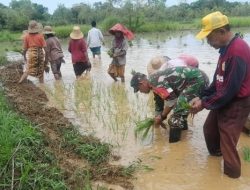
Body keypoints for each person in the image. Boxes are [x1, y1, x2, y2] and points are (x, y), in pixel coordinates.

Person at [190, 11, 250, 178]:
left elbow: (230, 89)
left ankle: (231, 178)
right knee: (209, 130)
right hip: (223, 98)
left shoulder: (237, 51)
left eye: (210, 37)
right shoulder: (225, 49)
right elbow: (218, 80)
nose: (208, 42)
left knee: (228, 144)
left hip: (236, 103)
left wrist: (204, 104)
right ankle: (216, 161)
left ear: (222, 31)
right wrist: (202, 96)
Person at [130, 67, 209, 143]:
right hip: (198, 78)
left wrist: (162, 116)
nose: (140, 92)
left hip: (197, 80)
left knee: (174, 119)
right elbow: (159, 101)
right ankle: (184, 137)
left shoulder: (155, 82)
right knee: (180, 111)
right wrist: (157, 116)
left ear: (142, 83)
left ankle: (175, 147)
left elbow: (172, 100)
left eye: (139, 89)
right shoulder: (152, 81)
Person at [147, 54, 200, 127]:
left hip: (191, 66)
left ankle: (182, 122)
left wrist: (162, 116)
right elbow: (158, 97)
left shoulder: (173, 69)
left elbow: (174, 97)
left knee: (181, 102)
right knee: (174, 98)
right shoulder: (157, 78)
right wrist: (158, 116)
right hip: (183, 63)